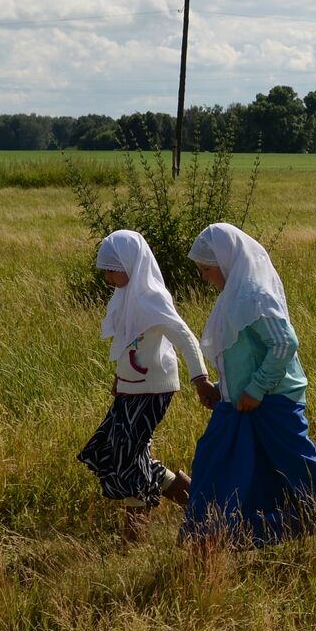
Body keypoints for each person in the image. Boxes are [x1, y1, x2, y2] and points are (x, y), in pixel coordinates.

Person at [180, 223, 316, 547]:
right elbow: (245, 357)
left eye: (207, 269)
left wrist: (256, 389)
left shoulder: (254, 297)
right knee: (218, 462)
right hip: (243, 403)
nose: (204, 277)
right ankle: (220, 536)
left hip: (275, 401)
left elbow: (284, 344)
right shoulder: (232, 297)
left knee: (297, 464)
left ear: (226, 263)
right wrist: (225, 389)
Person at [78, 229, 218, 540]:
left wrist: (201, 379)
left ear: (131, 264)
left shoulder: (151, 298)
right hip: (131, 389)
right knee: (112, 451)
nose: (108, 279)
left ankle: (135, 533)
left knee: (129, 456)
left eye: (113, 271)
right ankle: (197, 502)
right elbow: (128, 345)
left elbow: (185, 337)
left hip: (154, 389)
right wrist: (120, 379)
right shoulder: (125, 298)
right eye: (106, 272)